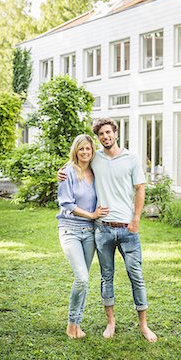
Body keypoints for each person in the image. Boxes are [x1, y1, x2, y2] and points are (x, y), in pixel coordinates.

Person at [59, 119, 157, 343]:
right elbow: (77, 161)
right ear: (98, 138)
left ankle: (144, 325)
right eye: (101, 134)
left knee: (137, 276)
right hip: (101, 230)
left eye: (108, 132)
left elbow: (140, 188)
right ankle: (110, 323)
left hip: (127, 229)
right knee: (106, 277)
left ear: (115, 133)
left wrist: (136, 218)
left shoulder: (131, 158)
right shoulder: (96, 158)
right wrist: (62, 172)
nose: (105, 137)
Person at [57, 134, 109, 339]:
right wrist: (92, 215)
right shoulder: (67, 172)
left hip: (89, 233)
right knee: (82, 278)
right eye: (81, 149)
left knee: (84, 280)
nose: (85, 152)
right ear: (75, 151)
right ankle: (71, 324)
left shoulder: (97, 173)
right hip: (70, 229)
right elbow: (67, 204)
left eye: (88, 149)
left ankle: (77, 324)